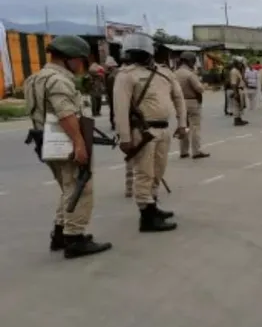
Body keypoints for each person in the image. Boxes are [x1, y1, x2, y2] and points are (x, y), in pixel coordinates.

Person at [23, 35, 113, 258]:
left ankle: (60, 234)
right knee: (81, 188)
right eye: (80, 60)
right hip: (64, 142)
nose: (81, 65)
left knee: (68, 188)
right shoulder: (58, 80)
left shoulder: (34, 79)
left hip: (45, 141)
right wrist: (79, 143)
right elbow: (65, 114)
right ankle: (74, 239)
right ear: (69, 58)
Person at [113, 33, 186, 233]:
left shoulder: (164, 73)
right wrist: (125, 137)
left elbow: (178, 98)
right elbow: (120, 109)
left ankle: (153, 204)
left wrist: (182, 124)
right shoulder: (126, 75)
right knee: (144, 173)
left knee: (158, 171)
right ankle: (146, 216)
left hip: (163, 129)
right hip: (143, 131)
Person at [174, 51, 209, 159]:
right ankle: (196, 151)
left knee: (183, 126)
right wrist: (205, 86)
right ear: (190, 61)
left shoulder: (175, 73)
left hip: (179, 102)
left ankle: (183, 151)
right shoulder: (190, 74)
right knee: (195, 127)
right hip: (192, 102)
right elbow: (199, 88)